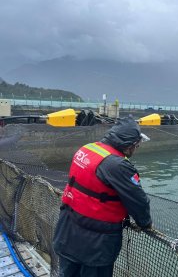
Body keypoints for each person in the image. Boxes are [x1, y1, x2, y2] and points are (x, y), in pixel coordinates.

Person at [53, 116, 152, 277]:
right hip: (95, 244)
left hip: (67, 231)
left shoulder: (87, 148)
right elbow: (138, 201)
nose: (137, 147)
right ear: (129, 145)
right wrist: (145, 223)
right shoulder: (118, 165)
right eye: (136, 144)